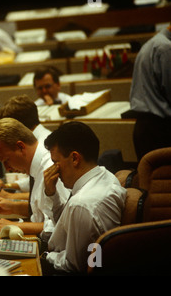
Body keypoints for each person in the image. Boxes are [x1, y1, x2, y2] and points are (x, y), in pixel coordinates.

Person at [41, 121, 126, 274]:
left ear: (75, 158)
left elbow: (73, 266)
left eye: (56, 163)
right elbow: (66, 225)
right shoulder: (106, 176)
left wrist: (46, 256)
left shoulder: (81, 204)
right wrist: (52, 194)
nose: (55, 171)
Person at [0, 118, 70, 243]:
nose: (7, 169)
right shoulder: (36, 167)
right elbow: (42, 212)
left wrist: (16, 226)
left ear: (20, 147)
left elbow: (60, 225)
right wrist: (12, 206)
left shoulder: (50, 167)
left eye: (6, 160)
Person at [0, 95, 52, 193]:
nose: (7, 168)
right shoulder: (38, 143)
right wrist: (6, 186)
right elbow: (36, 182)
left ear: (17, 126)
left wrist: (8, 197)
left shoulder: (46, 149)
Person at [129, 24, 171, 162]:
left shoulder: (151, 43)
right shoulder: (165, 48)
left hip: (143, 128)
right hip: (159, 129)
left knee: (147, 180)